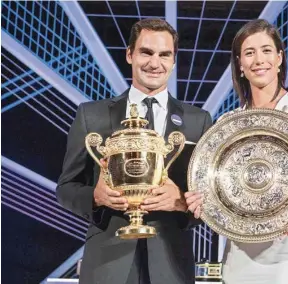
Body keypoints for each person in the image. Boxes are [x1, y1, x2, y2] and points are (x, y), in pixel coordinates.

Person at [185, 19, 288, 284]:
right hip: (239, 257)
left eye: (266, 50)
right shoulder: (228, 124)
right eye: (249, 53)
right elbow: (217, 189)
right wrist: (200, 201)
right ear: (240, 65)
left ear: (279, 58)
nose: (258, 59)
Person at [57, 18, 212, 284]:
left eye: (165, 54)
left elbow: (210, 199)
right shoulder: (91, 115)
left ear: (173, 61)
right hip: (108, 264)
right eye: (146, 52)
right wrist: (95, 196)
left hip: (171, 265)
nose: (155, 63)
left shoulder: (199, 120)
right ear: (130, 55)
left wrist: (183, 203)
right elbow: (66, 188)